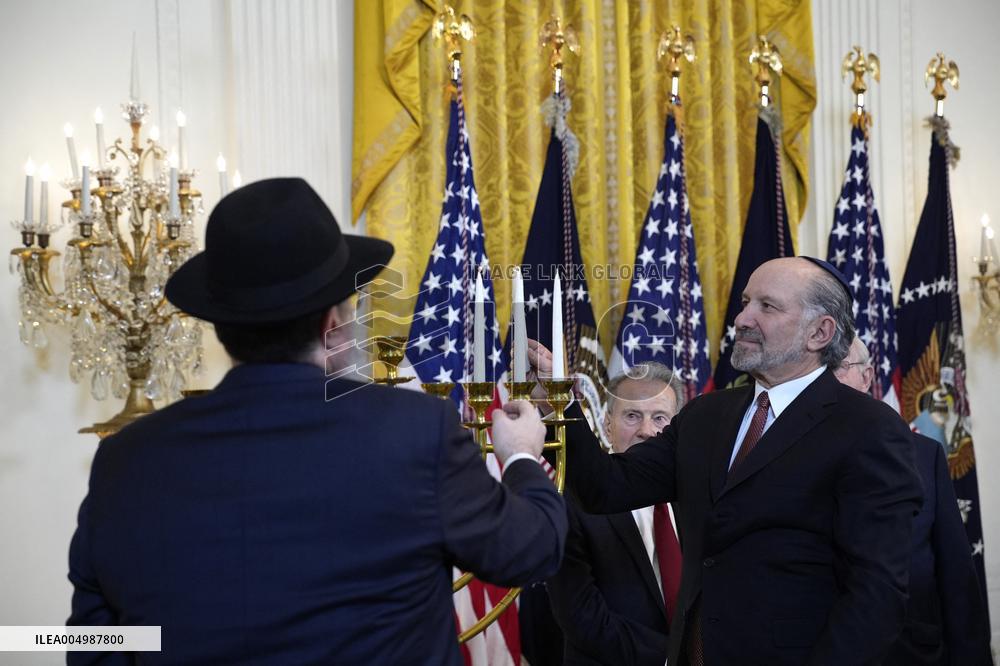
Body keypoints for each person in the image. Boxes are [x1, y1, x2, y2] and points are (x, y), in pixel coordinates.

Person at [66, 177, 567, 665]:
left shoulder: (124, 459)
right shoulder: (416, 432)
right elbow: (530, 552)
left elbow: (92, 644)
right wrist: (521, 455)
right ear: (333, 326)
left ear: (222, 330)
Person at [529, 256, 923, 665]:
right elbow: (605, 487)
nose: (743, 318)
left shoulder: (868, 427)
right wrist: (562, 405)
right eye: (746, 301)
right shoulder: (706, 415)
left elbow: (876, 595)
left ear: (819, 332)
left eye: (766, 307)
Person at [834, 338, 992, 665]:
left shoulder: (924, 456)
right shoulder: (788, 457)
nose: (827, 382)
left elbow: (956, 578)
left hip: (912, 653)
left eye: (839, 368)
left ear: (866, 378)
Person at [545, 362, 684, 666]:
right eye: (632, 416)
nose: (647, 431)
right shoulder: (569, 500)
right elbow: (581, 617)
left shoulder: (697, 496)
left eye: (660, 418)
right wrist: (675, 658)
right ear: (607, 425)